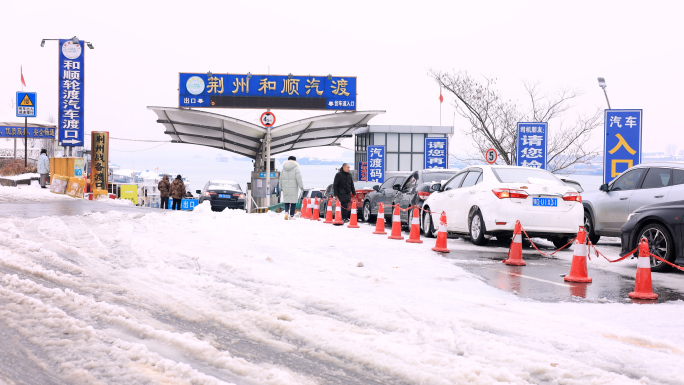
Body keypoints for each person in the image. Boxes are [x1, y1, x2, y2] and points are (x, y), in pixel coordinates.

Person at [280, 156, 304, 220]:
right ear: (295, 161)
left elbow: (280, 179)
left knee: (286, 201)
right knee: (293, 202)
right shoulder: (296, 168)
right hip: (293, 188)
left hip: (285, 188)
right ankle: (291, 216)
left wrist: (280, 187)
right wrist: (301, 187)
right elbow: (299, 179)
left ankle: (286, 212)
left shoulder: (283, 168)